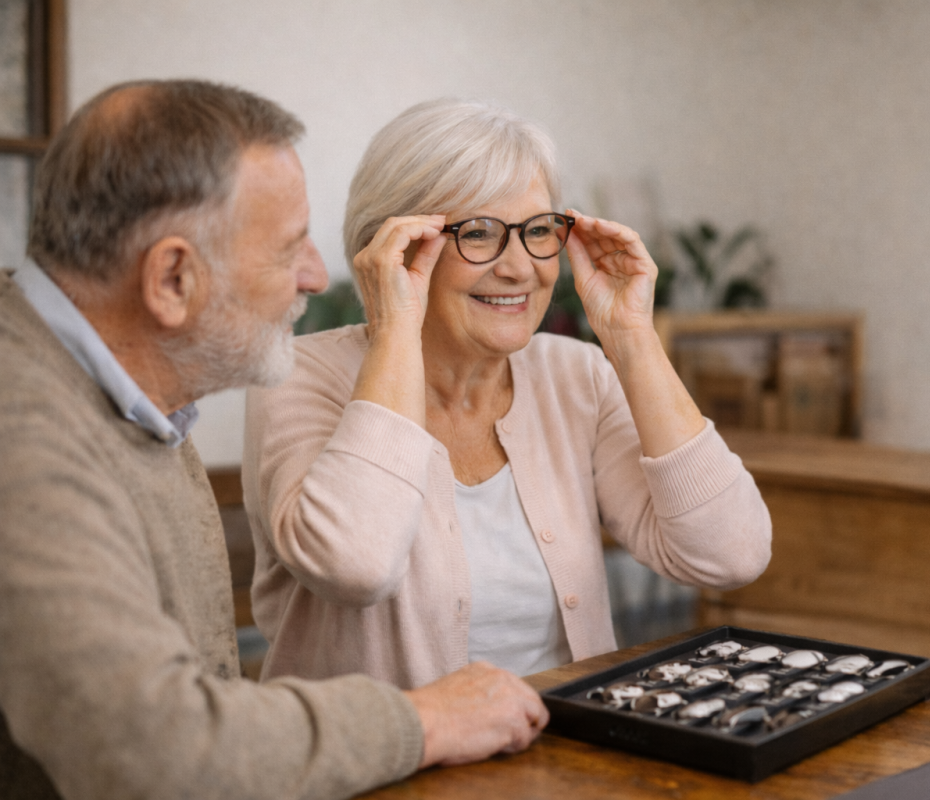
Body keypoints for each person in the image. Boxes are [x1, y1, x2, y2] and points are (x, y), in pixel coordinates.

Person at [0, 81, 547, 800]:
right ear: (172, 277)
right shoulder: (26, 433)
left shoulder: (123, 397)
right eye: (290, 248)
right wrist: (423, 721)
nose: (318, 278)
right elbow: (149, 748)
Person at [242, 99, 773, 690]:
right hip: (388, 773)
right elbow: (354, 566)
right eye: (479, 233)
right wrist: (394, 328)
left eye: (539, 230)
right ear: (396, 248)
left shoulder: (575, 377)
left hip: (567, 763)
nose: (520, 268)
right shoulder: (298, 377)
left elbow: (731, 555)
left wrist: (632, 338)